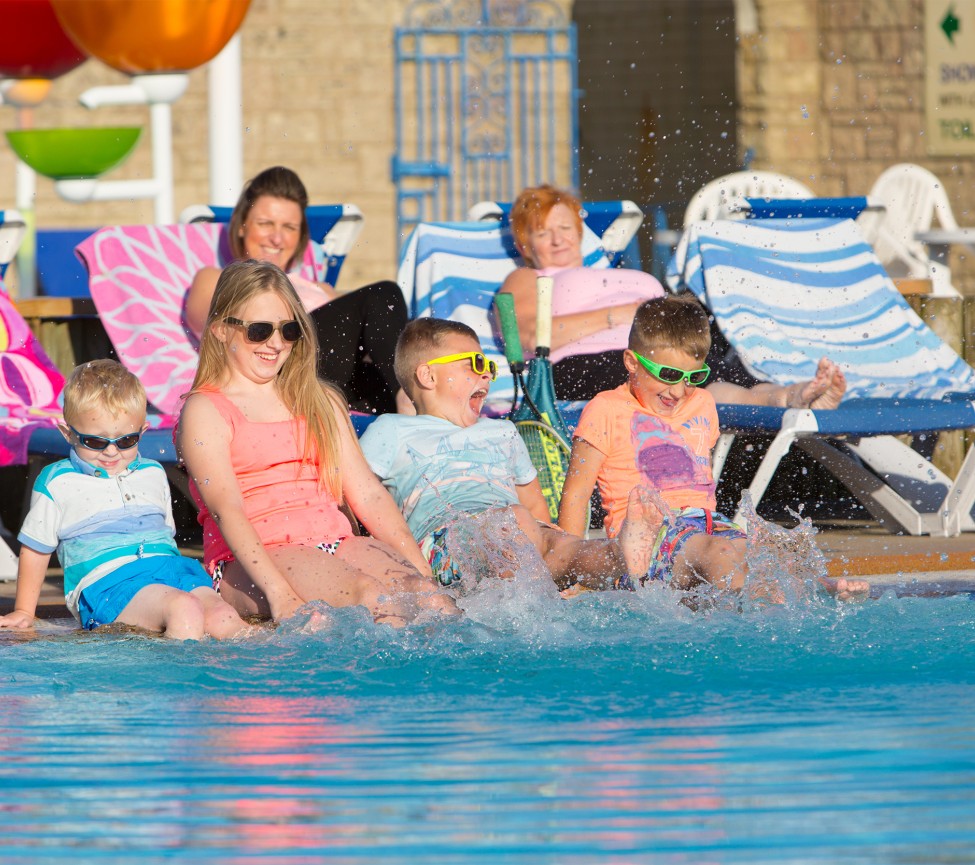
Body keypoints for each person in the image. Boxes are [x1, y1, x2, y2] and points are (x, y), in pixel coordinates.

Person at [176, 259, 455, 626]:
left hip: (333, 543)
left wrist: (425, 574)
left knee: (431, 603)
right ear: (220, 330)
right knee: (368, 597)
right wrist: (282, 597)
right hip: (251, 563)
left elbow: (367, 495)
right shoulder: (206, 410)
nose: (275, 344)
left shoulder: (319, 400)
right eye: (259, 330)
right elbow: (227, 509)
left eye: (288, 330)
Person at [558, 295, 868, 600]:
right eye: (668, 375)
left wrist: (795, 396)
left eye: (694, 377)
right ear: (631, 362)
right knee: (719, 552)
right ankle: (755, 600)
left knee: (771, 546)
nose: (679, 391)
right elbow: (576, 495)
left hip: (707, 526)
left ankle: (813, 588)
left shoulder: (702, 401)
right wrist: (569, 571)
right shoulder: (606, 410)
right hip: (646, 540)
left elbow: (750, 396)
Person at [359, 317, 661, 593]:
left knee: (558, 544)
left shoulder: (502, 432)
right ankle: (535, 594)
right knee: (514, 526)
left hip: (515, 533)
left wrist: (546, 536)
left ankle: (618, 555)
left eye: (489, 367)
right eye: (475, 364)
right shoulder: (392, 429)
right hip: (442, 545)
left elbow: (532, 503)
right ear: (428, 376)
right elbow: (358, 496)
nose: (487, 375)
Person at [497, 183, 846, 407]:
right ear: (523, 244)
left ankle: (792, 397)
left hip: (665, 353)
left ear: (578, 233)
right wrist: (620, 315)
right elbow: (529, 337)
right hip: (593, 363)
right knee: (682, 381)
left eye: (564, 228)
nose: (558, 240)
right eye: (543, 233)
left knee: (717, 376)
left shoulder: (615, 275)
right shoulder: (527, 276)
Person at [0, 360, 248, 640]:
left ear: (142, 432)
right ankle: (178, 682)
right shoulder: (58, 482)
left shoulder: (152, 472)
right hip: (107, 583)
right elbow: (36, 549)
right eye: (95, 442)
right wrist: (23, 610)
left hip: (169, 568)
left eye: (126, 440)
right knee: (183, 609)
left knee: (225, 618)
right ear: (67, 434)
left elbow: (166, 535)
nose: (111, 452)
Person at [184, 166, 410, 415]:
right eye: (265, 223)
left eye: (289, 227)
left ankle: (409, 405)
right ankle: (411, 400)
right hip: (276, 368)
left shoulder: (320, 289)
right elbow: (216, 327)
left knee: (383, 364)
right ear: (241, 226)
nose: (277, 239)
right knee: (382, 294)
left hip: (330, 387)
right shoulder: (214, 278)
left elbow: (381, 336)